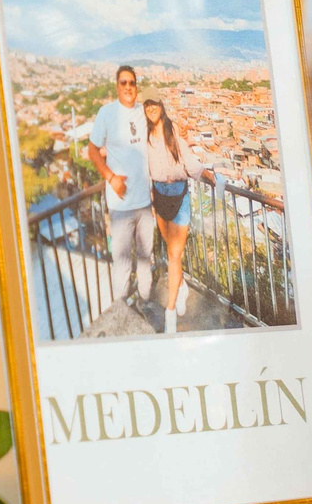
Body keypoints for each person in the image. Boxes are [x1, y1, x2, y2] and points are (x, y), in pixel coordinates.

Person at [81, 65, 156, 319]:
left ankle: (144, 305)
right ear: (117, 86)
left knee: (146, 259)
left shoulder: (142, 112)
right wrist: (110, 177)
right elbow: (92, 150)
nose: (128, 87)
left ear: (136, 86)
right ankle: (122, 313)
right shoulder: (107, 113)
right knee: (122, 265)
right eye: (123, 83)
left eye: (132, 83)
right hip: (121, 206)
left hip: (144, 203)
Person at [142, 95, 214, 335]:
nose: (151, 109)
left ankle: (170, 310)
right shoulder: (144, 136)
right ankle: (181, 287)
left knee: (174, 254)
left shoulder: (172, 131)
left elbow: (189, 160)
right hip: (159, 195)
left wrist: (206, 174)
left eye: (155, 104)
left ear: (162, 106)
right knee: (170, 249)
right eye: (147, 106)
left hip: (179, 195)